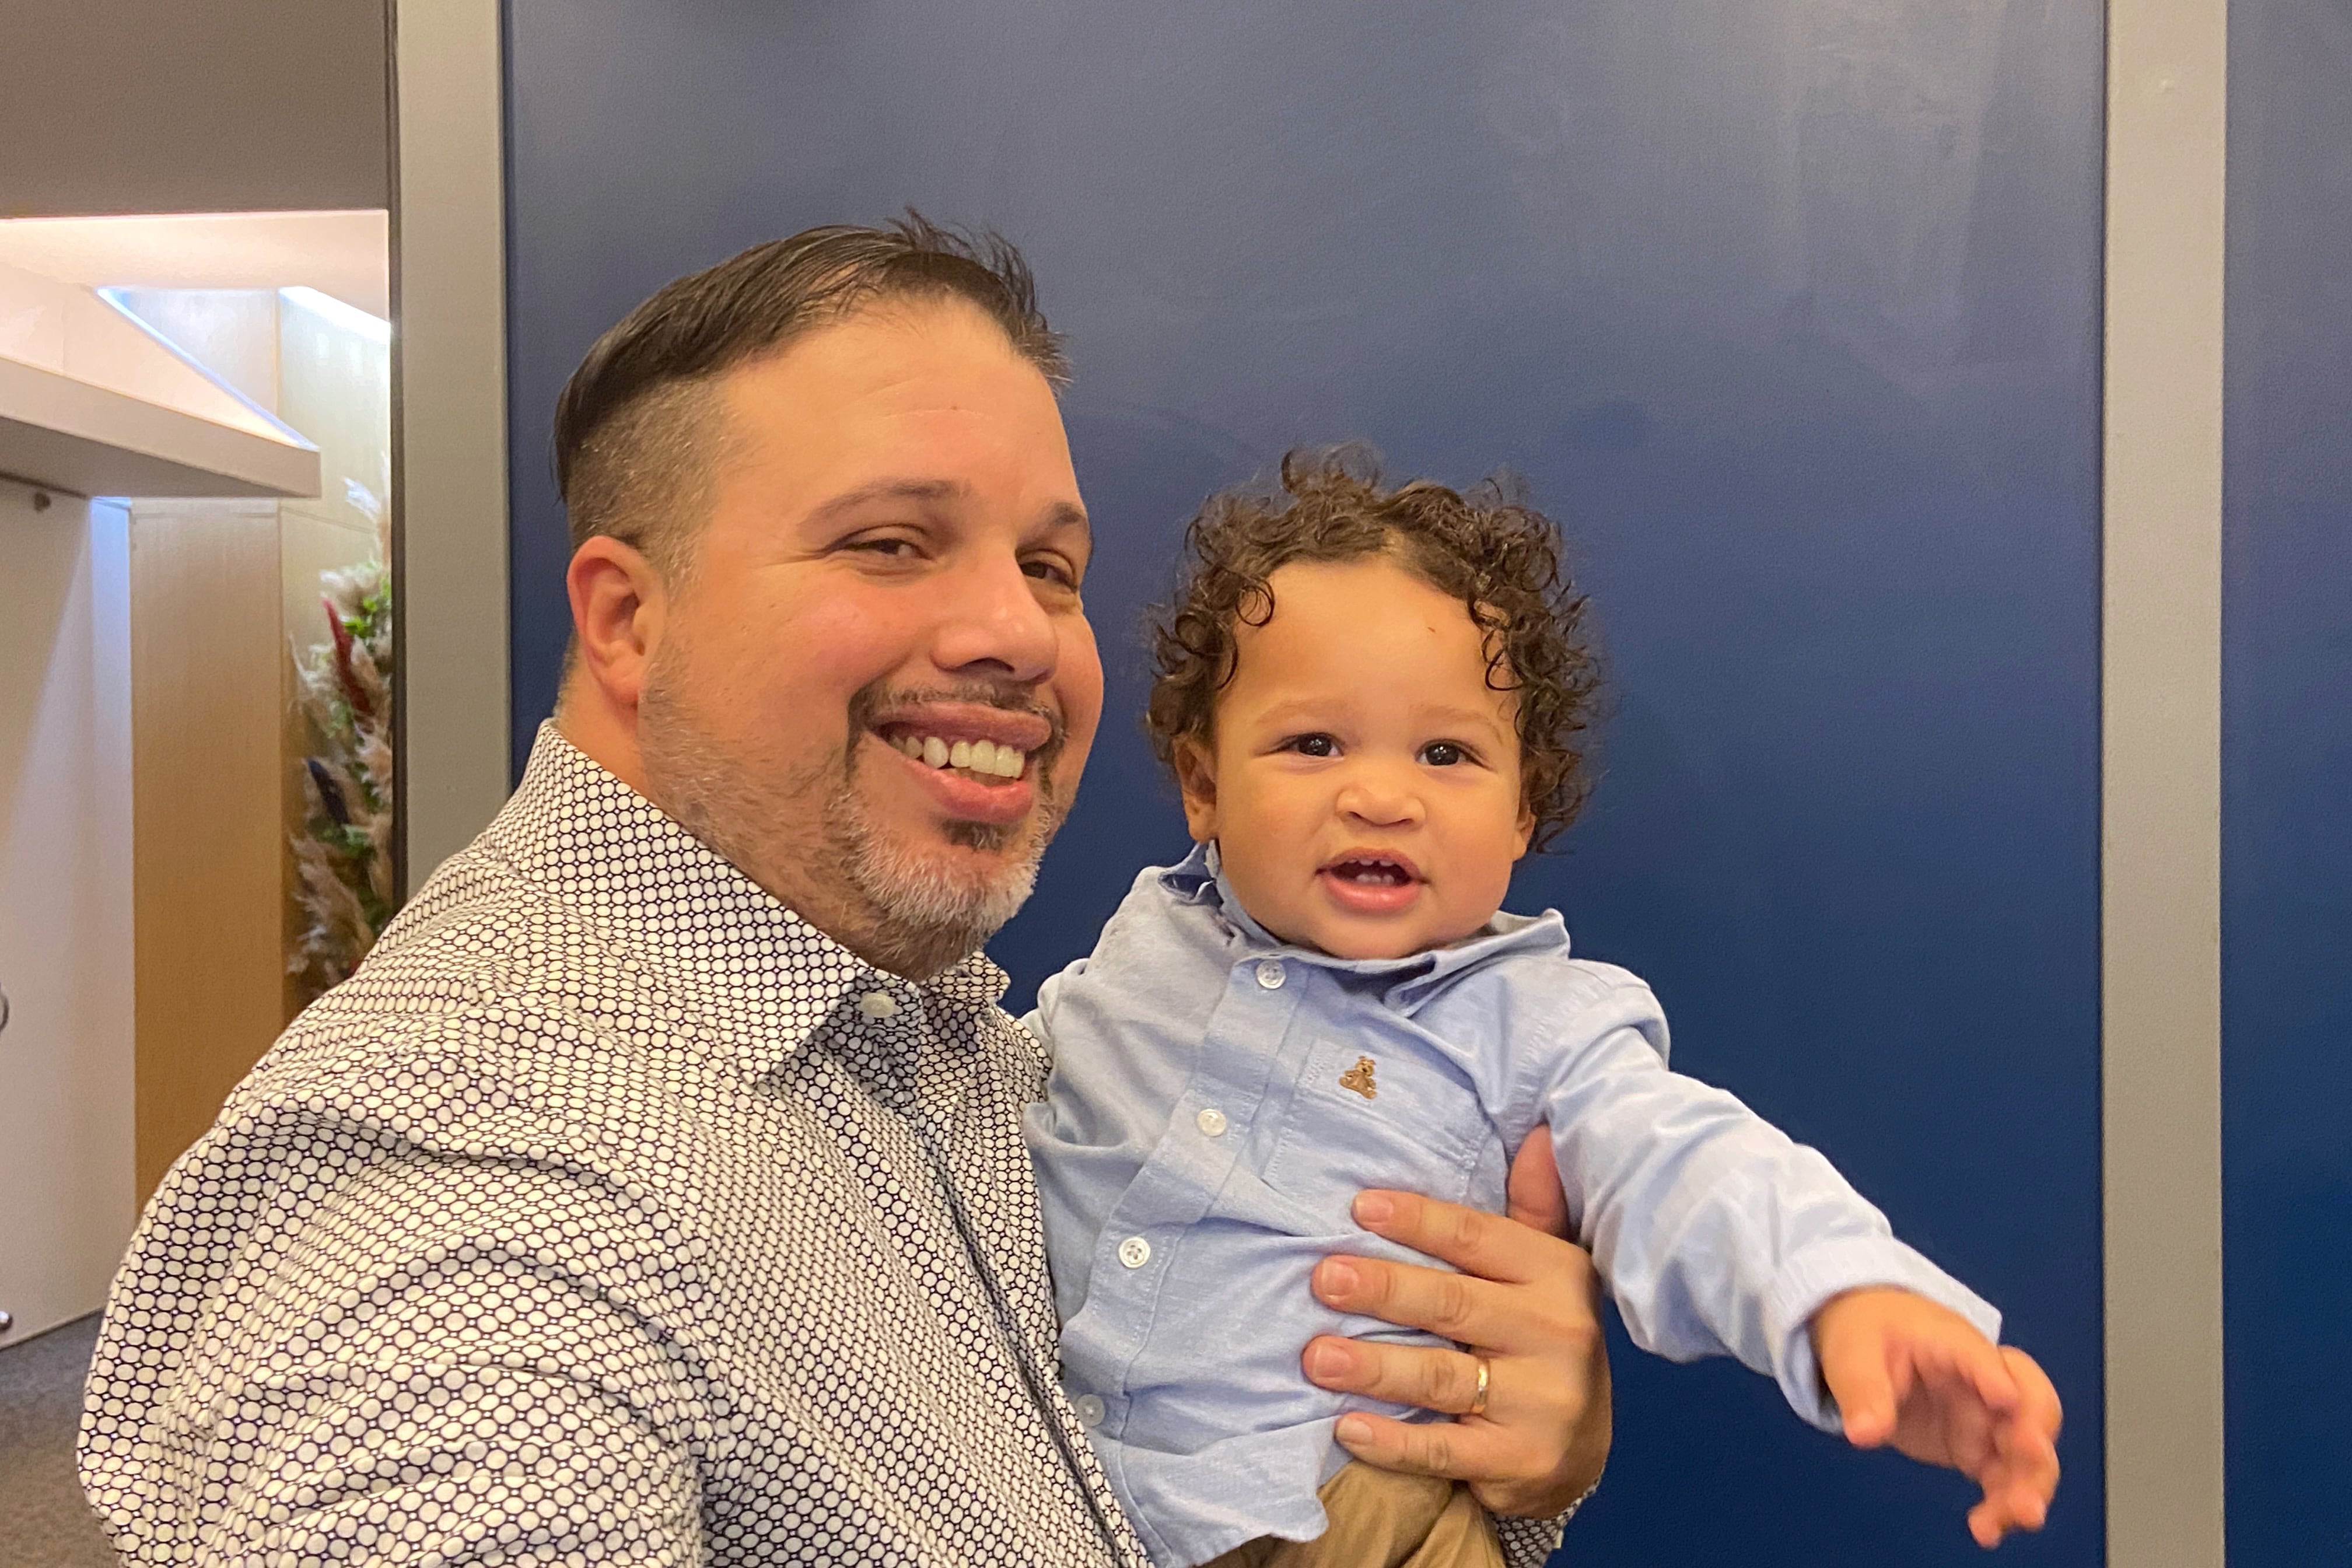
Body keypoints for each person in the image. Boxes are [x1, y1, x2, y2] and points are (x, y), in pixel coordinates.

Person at [76, 222, 1612, 1567]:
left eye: (1051, 567)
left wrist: (1470, 1452)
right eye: (891, 543)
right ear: (627, 619)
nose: (1017, 632)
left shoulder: (944, 1041)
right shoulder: (467, 1168)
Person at [1022, 454, 2067, 1568]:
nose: (1381, 793)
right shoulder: (1144, 947)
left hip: (1360, 1520)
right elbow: (1002, 1098)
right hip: (1059, 1498)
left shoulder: (1542, 1029)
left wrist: (1847, 1298)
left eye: (1447, 752)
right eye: (1312, 743)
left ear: (1522, 811)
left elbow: (1694, 1168)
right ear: (1204, 786)